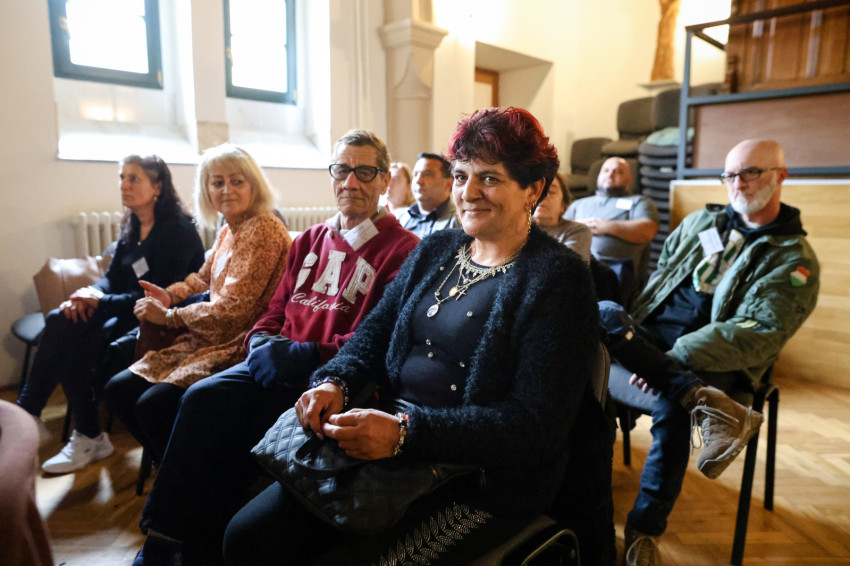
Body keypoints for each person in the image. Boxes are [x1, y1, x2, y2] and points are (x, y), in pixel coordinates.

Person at [223, 107, 603, 566]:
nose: (468, 193)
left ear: (533, 189)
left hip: (480, 479)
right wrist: (335, 382)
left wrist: (406, 434)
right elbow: (373, 333)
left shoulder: (557, 278)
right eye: (460, 176)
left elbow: (534, 425)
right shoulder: (438, 249)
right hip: (380, 440)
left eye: (489, 178)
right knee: (246, 538)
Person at [130, 130, 420, 566]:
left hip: (326, 378)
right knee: (199, 399)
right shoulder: (309, 240)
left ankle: (183, 542)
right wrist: (261, 342)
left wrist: (306, 356)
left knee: (223, 421)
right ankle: (168, 540)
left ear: (383, 180)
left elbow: (376, 339)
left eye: (365, 172)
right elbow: (274, 310)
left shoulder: (403, 250)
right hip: (273, 360)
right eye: (342, 170)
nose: (351, 182)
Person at [601, 139, 820, 566]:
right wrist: (644, 346)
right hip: (652, 340)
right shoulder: (701, 221)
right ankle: (584, 500)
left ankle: (644, 530)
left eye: (750, 172)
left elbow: (756, 333)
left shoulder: (794, 259)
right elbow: (662, 278)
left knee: (673, 403)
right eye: (730, 174)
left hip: (717, 361)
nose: (738, 183)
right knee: (602, 315)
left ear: (781, 176)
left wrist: (669, 361)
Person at [17, 155, 205, 474]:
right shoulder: (133, 225)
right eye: (122, 177)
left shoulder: (177, 230)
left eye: (134, 178)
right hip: (125, 310)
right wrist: (88, 294)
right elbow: (112, 277)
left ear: (157, 186)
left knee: (76, 339)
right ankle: (35, 415)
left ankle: (79, 432)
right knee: (62, 319)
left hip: (160, 320)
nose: (124, 185)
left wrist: (99, 301)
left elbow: (158, 296)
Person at [103, 144, 291, 463]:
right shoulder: (228, 229)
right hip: (207, 337)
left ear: (254, 185)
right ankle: (174, 468)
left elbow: (233, 311)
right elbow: (201, 279)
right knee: (118, 390)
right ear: (206, 190)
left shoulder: (263, 227)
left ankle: (188, 476)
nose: (226, 190)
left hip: (238, 343)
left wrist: (169, 316)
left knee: (151, 405)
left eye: (237, 181)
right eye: (217, 182)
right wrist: (170, 294)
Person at [565, 157, 659, 302]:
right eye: (606, 170)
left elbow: (647, 230)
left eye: (618, 172)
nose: (610, 174)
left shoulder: (639, 202)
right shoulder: (578, 204)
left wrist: (605, 226)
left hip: (613, 271)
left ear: (630, 180)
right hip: (574, 265)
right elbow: (558, 229)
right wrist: (581, 226)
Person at [397, 152, 461, 237]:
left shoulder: (458, 222)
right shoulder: (400, 217)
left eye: (427, 175)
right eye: (415, 174)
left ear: (449, 183)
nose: (418, 181)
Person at [533, 171, 592, 262]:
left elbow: (570, 267)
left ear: (563, 205)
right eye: (536, 191)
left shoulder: (577, 231)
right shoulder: (514, 229)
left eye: (551, 192)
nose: (542, 196)